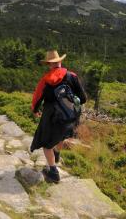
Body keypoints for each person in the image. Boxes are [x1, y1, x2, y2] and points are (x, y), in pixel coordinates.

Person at [30, 50, 87, 183]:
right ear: (60, 61)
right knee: (61, 136)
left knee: (46, 144)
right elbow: (83, 98)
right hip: (68, 116)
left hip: (50, 116)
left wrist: (35, 110)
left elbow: (37, 98)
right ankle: (56, 156)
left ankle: (53, 172)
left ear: (49, 64)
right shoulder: (72, 76)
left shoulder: (45, 79)